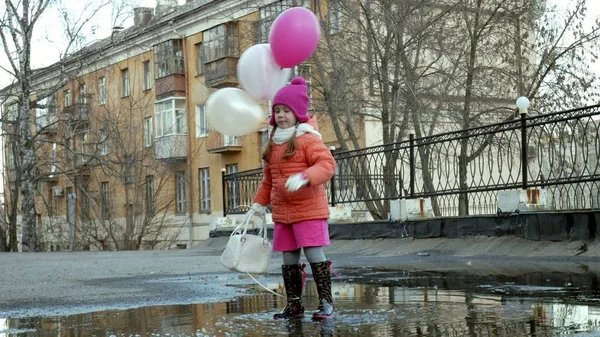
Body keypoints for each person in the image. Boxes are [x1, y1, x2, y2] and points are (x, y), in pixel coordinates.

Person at [252, 76, 336, 320]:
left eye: (286, 111)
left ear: (298, 113)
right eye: (277, 110)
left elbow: (327, 164)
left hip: (308, 209)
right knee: (289, 258)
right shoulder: (273, 144)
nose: (280, 115)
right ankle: (295, 305)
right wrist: (258, 204)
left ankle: (326, 303)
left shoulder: (308, 138)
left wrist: (306, 176)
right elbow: (269, 180)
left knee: (313, 253)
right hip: (283, 213)